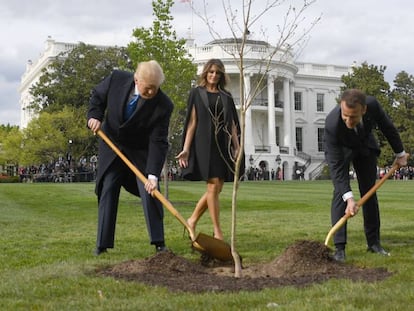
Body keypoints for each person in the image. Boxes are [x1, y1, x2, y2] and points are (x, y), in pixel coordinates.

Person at [87, 60, 173, 256]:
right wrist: (94, 116)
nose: (152, 93)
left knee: (151, 191)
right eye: (148, 88)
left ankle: (159, 243)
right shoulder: (116, 79)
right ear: (137, 80)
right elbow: (97, 97)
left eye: (156, 89)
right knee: (108, 187)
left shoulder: (164, 105)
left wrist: (152, 175)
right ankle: (102, 244)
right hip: (112, 144)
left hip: (140, 150)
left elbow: (158, 141)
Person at [324, 89, 408, 262]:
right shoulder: (332, 124)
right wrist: (349, 198)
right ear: (341, 107)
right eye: (345, 115)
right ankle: (340, 249)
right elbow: (336, 166)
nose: (348, 120)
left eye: (353, 117)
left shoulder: (373, 106)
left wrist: (400, 154)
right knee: (340, 194)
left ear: (364, 110)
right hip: (343, 150)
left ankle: (374, 243)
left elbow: (388, 128)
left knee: (369, 192)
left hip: (365, 147)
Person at [176, 58, 244, 241]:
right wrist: (186, 149)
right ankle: (218, 232)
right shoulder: (197, 93)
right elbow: (192, 123)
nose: (214, 75)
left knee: (217, 188)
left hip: (222, 144)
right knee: (213, 184)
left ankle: (192, 220)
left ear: (221, 75)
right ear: (206, 73)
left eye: (217, 73)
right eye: (211, 72)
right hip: (204, 143)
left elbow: (232, 124)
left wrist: (237, 147)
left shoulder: (226, 96)